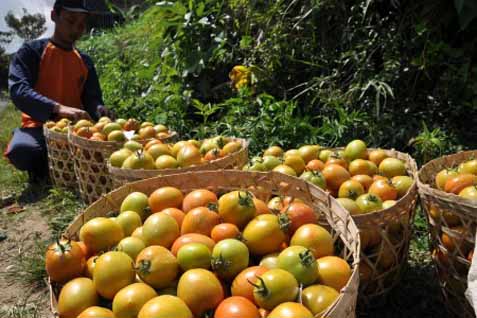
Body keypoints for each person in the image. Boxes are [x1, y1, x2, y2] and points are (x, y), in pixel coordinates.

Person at [4, 0, 113, 184]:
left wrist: (100, 110)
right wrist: (57, 108)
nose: (76, 29)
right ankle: (44, 167)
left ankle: (60, 166)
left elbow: (92, 99)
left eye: (81, 24)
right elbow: (19, 90)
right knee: (22, 151)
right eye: (70, 21)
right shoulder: (31, 52)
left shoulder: (85, 61)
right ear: (54, 16)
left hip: (77, 129)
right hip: (38, 126)